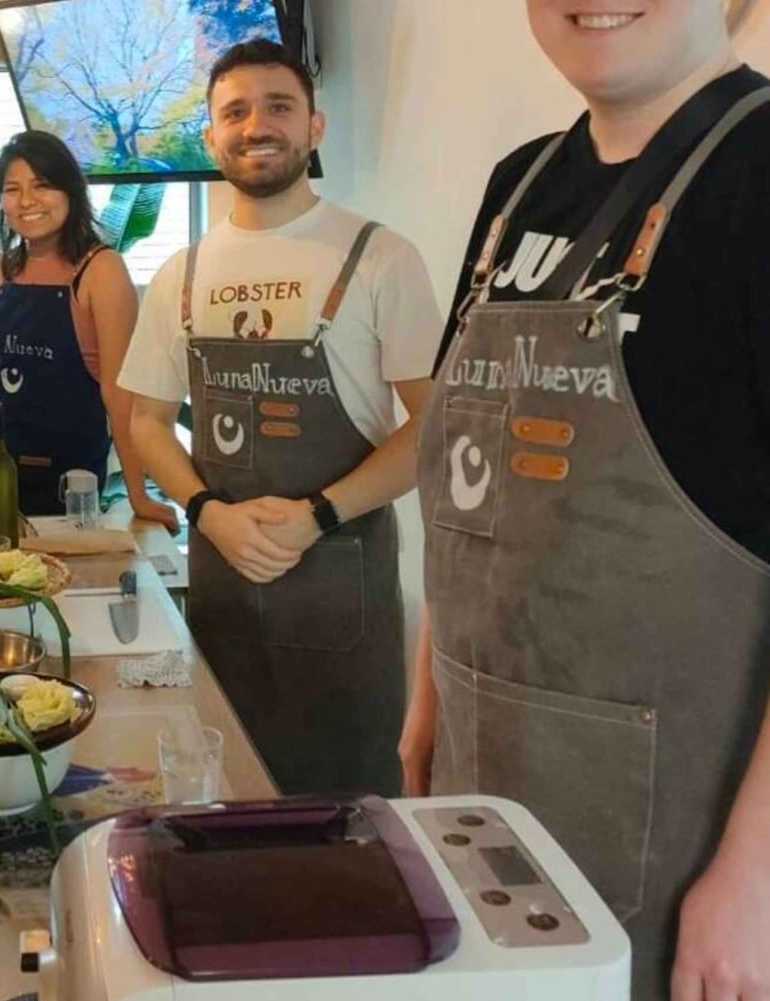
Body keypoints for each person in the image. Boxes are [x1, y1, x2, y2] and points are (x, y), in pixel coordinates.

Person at [401, 3, 770, 997]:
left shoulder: (756, 170)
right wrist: (429, 688)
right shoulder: (519, 184)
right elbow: (470, 468)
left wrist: (757, 879)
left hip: (679, 841)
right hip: (483, 791)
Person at [122, 39, 442, 797]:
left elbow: (438, 424)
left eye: (278, 107)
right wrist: (208, 512)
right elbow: (146, 423)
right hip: (222, 587)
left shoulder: (379, 257)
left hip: (342, 594)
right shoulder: (181, 275)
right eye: (235, 112)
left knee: (348, 821)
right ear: (211, 137)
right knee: (226, 798)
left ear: (314, 126)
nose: (256, 126)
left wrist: (316, 515)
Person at [0, 130, 178, 529]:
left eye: (42, 185)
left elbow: (119, 393)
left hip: (69, 482)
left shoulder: (100, 270)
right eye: (12, 189)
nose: (26, 200)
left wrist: (139, 495)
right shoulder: (1, 268)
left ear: (70, 191)